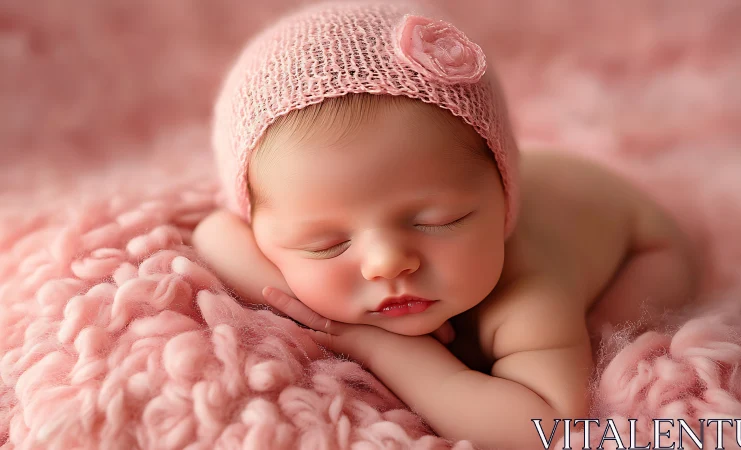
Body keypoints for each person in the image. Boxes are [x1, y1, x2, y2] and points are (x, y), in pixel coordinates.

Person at [192, 2, 700, 448]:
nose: (387, 261)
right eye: (326, 244)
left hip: (644, 243)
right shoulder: (268, 226)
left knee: (615, 339)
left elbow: (543, 426)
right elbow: (214, 234)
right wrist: (324, 312)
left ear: (505, 204)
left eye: (439, 221)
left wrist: (388, 348)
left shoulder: (528, 295)